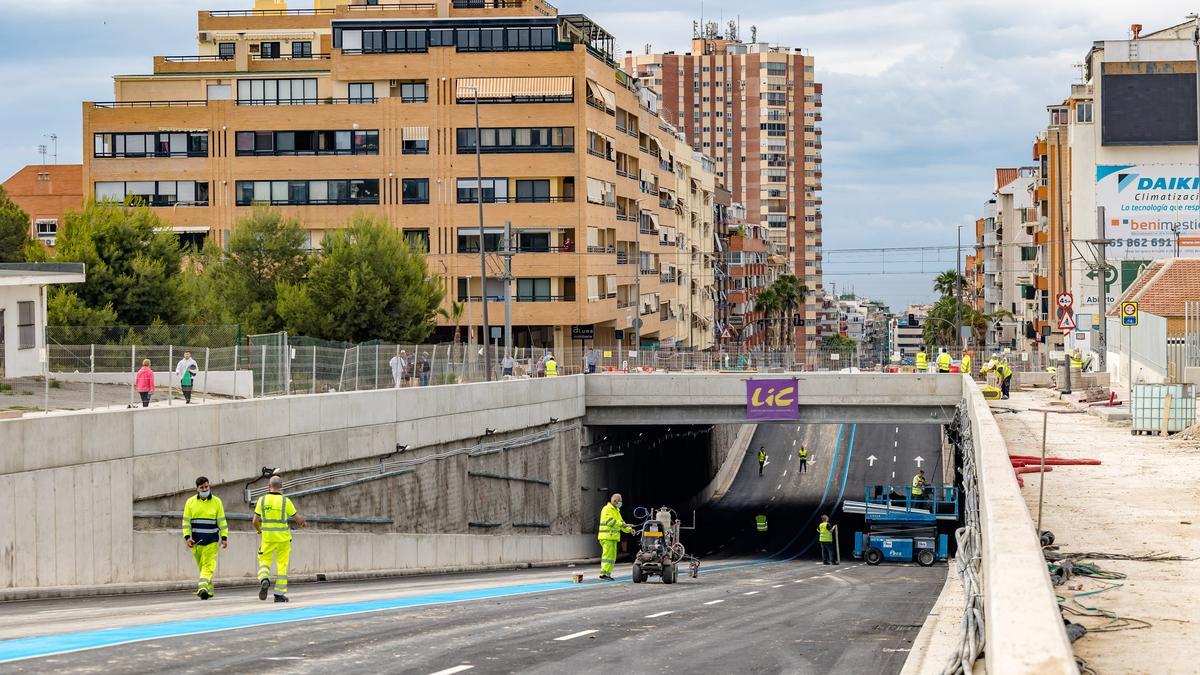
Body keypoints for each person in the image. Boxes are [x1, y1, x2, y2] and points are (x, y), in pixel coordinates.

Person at [253, 475, 306, 602]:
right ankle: (279, 595)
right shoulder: (285, 501)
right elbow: (297, 518)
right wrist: (302, 522)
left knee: (264, 561)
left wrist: (260, 530)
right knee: (282, 565)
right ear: (281, 488)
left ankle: (264, 579)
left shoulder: (262, 500)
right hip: (283, 539)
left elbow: (255, 521)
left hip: (268, 538)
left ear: (268, 486)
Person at [182, 476, 228, 600]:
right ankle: (209, 590)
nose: (204, 489)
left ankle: (201, 587)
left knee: (208, 566)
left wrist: (224, 537)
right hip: (196, 542)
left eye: (206, 487)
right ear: (196, 489)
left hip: (212, 541)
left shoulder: (217, 502)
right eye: (202, 487)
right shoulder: (190, 503)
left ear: (209, 486)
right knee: (203, 567)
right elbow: (186, 522)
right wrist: (187, 538)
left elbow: (222, 521)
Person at [597, 493, 634, 581]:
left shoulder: (616, 510)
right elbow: (610, 522)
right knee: (607, 556)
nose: (621, 503)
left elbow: (622, 524)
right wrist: (622, 524)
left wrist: (629, 529)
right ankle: (603, 574)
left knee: (612, 557)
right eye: (619, 501)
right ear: (614, 501)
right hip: (607, 537)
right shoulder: (607, 509)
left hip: (612, 538)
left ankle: (607, 574)